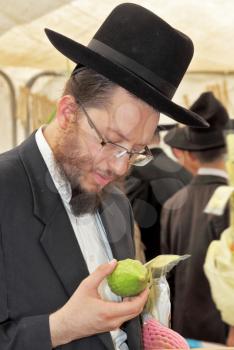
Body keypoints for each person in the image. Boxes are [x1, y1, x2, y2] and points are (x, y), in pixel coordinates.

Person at [0, 3, 207, 350]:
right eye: (111, 141)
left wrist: (144, 336)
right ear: (67, 113)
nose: (120, 168)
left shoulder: (115, 203)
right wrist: (59, 328)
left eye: (136, 151)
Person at [161, 92, 234, 345]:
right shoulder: (231, 203)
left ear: (190, 155)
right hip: (225, 334)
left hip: (182, 331)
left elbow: (167, 274)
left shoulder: (172, 204)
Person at [125, 125, 192, 261]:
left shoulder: (138, 173)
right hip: (187, 259)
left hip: (157, 264)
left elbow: (128, 225)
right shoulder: (185, 172)